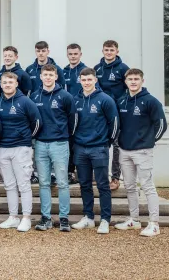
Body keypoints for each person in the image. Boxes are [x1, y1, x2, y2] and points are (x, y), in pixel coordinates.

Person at [115, 69, 167, 237]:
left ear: (142, 81)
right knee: (130, 187)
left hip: (143, 151)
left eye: (136, 79)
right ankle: (134, 220)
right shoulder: (121, 100)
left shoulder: (151, 101)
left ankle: (154, 224)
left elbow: (161, 125)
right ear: (125, 81)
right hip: (124, 151)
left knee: (147, 186)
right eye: (130, 79)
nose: (133, 82)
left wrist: (148, 142)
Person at [71, 67, 118, 234]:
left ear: (95, 80)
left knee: (103, 185)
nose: (86, 82)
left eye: (89, 79)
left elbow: (114, 124)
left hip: (99, 147)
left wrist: (106, 142)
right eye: (83, 80)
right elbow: (72, 124)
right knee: (84, 184)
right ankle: (88, 217)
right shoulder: (75, 100)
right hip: (80, 148)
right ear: (80, 81)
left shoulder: (105, 99)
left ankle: (105, 219)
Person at [30, 64, 76, 232]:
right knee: (44, 182)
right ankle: (46, 217)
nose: (48, 77)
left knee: (63, 182)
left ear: (56, 77)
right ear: (40, 77)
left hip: (59, 144)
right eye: (45, 75)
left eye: (51, 75)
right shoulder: (35, 96)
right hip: (40, 144)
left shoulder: (65, 96)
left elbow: (72, 121)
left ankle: (64, 218)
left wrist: (63, 135)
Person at [0, 72, 42, 232]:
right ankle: (13, 217)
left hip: (21, 148)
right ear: (1, 85)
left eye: (10, 82)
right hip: (3, 148)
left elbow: (37, 122)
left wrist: (26, 137)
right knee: (9, 185)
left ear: (16, 84)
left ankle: (26, 218)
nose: (7, 85)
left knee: (23, 184)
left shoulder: (25, 102)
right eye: (4, 82)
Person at [94, 40, 129, 191]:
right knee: (100, 143)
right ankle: (100, 175)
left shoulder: (123, 68)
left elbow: (129, 89)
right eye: (106, 50)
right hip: (101, 112)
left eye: (111, 50)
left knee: (116, 145)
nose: (109, 52)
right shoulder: (97, 68)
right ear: (102, 51)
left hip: (118, 112)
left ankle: (115, 177)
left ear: (117, 51)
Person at [63, 43, 87, 184]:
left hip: (82, 112)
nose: (73, 56)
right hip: (67, 114)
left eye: (75, 54)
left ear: (80, 54)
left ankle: (84, 173)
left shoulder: (85, 71)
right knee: (69, 143)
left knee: (80, 143)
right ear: (67, 55)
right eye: (70, 54)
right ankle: (70, 172)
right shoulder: (63, 71)